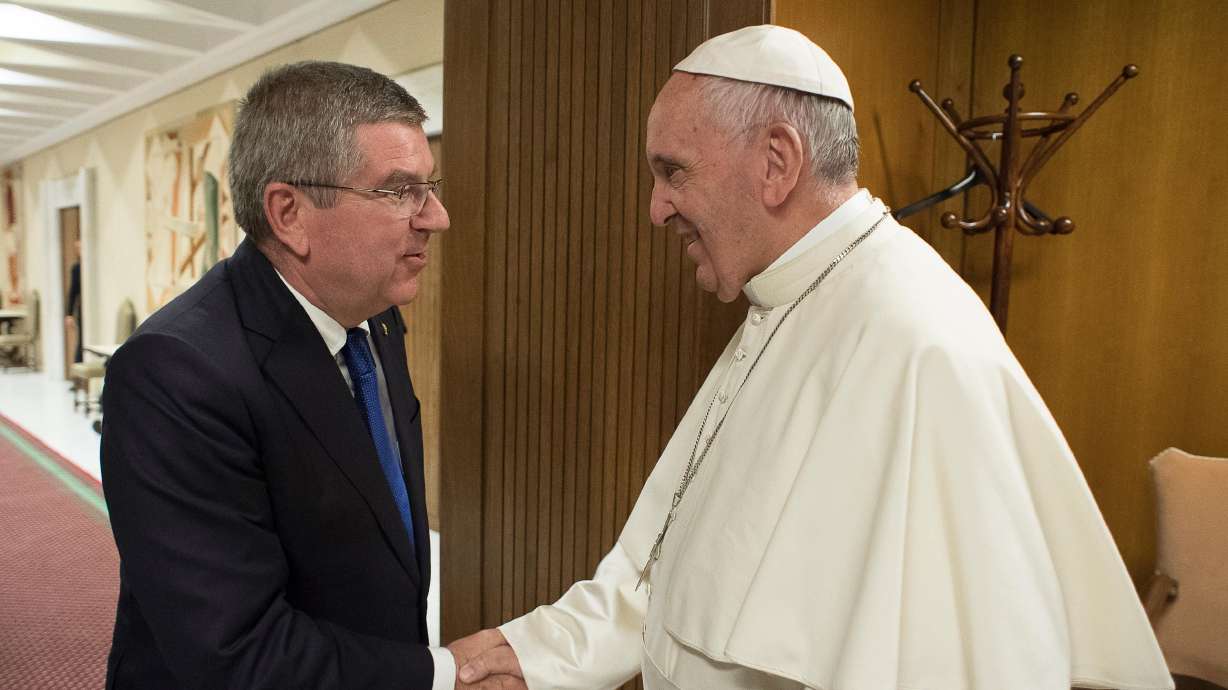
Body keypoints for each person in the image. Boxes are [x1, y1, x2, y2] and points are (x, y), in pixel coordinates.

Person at [450, 25, 1174, 690]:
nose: (656, 208)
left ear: (777, 162)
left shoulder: (915, 340)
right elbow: (683, 560)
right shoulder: (789, 299)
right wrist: (545, 652)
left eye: (673, 172)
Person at [101, 61, 487, 689]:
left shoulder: (376, 317)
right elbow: (237, 653)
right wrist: (442, 674)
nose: (436, 216)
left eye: (429, 186)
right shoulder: (173, 375)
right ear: (289, 213)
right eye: (398, 191)